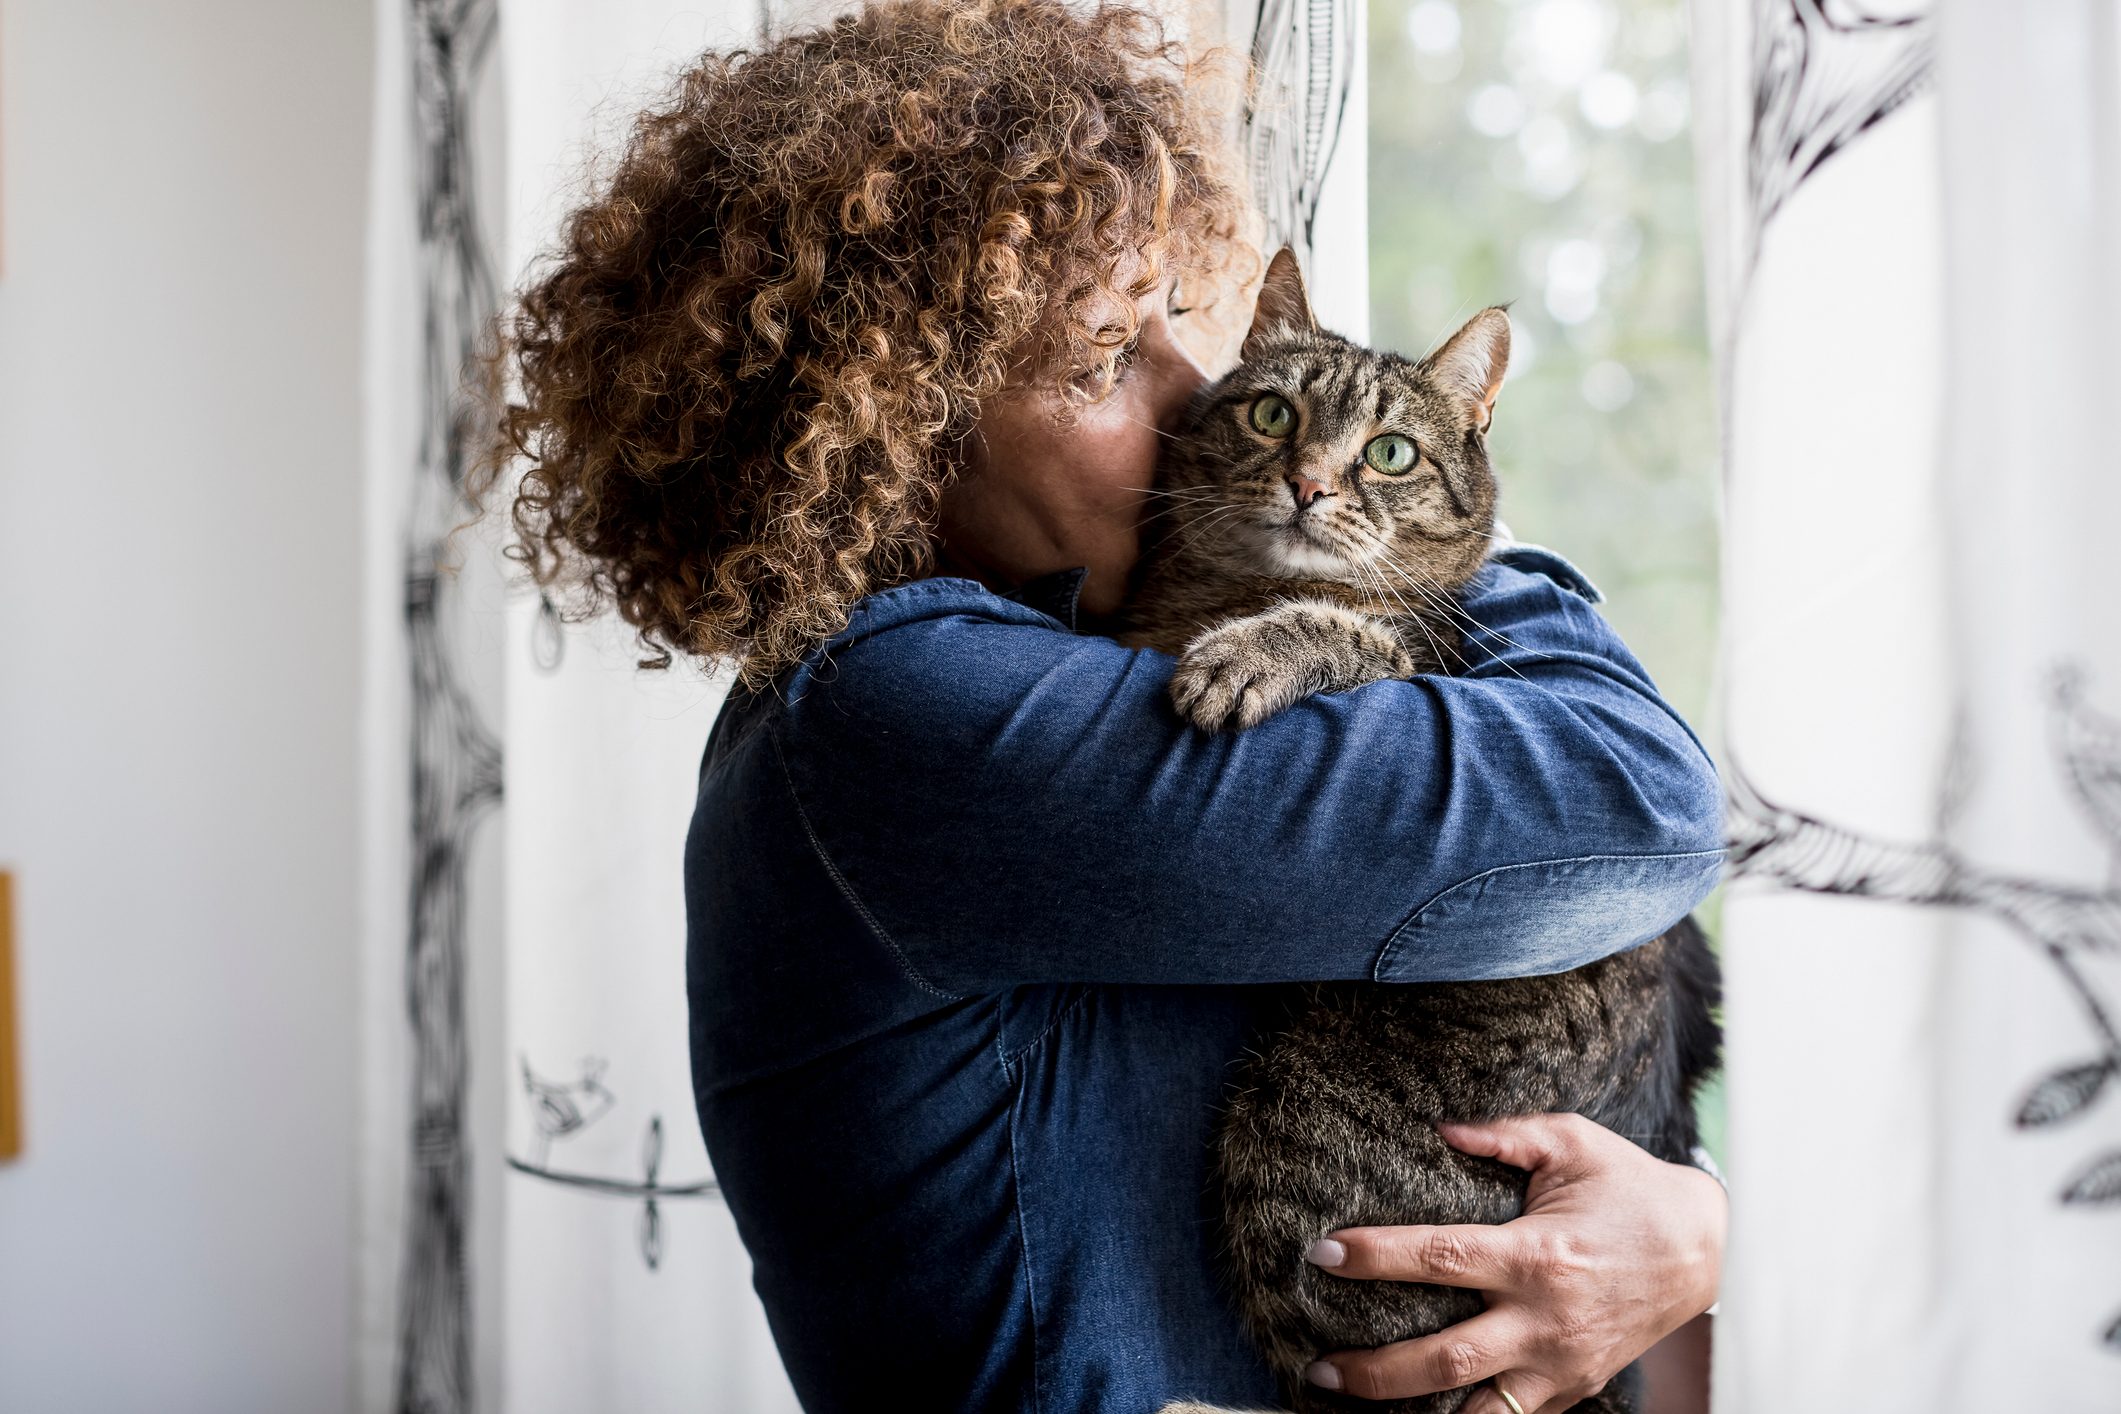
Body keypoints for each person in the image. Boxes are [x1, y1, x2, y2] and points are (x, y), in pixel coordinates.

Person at [482, 1, 1727, 1409]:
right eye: (1102, 355)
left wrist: (1686, 1225)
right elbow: (1642, 804)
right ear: (890, 432)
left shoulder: (1021, 676)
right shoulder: (901, 717)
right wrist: (1431, 541)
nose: (1202, 394)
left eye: (1171, 323)